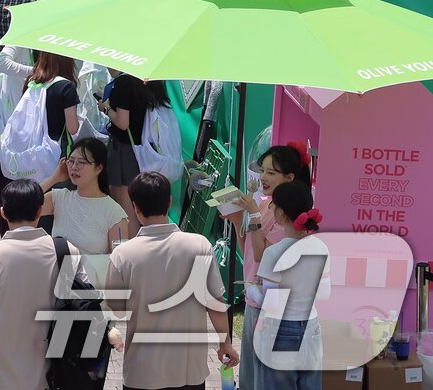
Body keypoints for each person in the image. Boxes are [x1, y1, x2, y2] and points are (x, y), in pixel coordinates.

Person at [105, 172, 237, 390]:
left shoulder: (123, 254)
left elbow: (117, 310)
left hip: (142, 371)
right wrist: (225, 344)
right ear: (169, 202)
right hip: (189, 370)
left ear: (135, 207)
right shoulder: (199, 245)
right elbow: (215, 302)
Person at [0, 179, 82, 390]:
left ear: (2, 213)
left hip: (7, 376)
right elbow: (80, 307)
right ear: (40, 211)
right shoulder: (66, 251)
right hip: (58, 374)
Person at [229, 143, 313, 390]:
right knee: (250, 376)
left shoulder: (288, 217)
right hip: (254, 301)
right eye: (263, 170)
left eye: (271, 173)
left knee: (263, 378)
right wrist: (237, 222)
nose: (263, 177)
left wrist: (254, 216)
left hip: (272, 308)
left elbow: (262, 253)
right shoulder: (266, 205)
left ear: (289, 177)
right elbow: (249, 253)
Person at [252, 182, 327, 390]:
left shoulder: (274, 253)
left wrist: (251, 289)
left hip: (280, 329)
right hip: (311, 326)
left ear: (281, 214)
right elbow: (324, 293)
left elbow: (271, 302)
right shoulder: (321, 247)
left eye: (273, 205)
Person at [38, 138, 129, 285]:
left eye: (81, 162)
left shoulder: (114, 213)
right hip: (57, 287)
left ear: (99, 168)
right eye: (71, 161)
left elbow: (120, 264)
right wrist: (54, 178)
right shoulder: (59, 198)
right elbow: (21, 205)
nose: (74, 167)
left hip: (91, 295)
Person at [103, 73, 169, 235]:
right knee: (138, 208)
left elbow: (122, 122)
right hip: (145, 152)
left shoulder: (125, 82)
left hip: (125, 151)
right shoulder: (152, 80)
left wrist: (106, 108)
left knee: (125, 211)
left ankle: (129, 253)